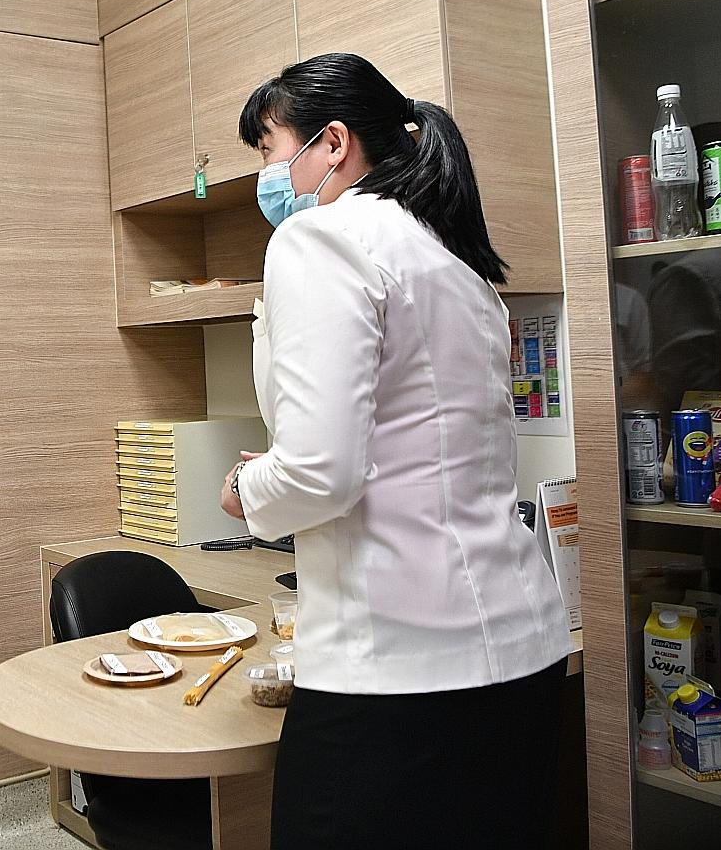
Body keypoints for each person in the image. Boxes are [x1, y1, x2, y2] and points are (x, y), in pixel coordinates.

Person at [219, 54, 573, 849]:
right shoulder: (457, 262)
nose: (268, 174)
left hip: (397, 670)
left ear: (333, 142)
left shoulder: (323, 239)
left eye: (271, 150)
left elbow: (319, 469)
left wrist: (249, 489)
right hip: (518, 657)